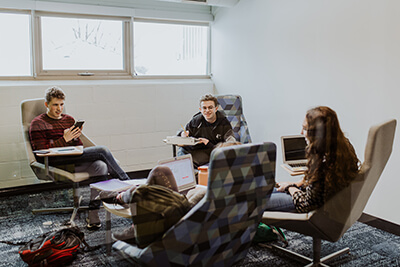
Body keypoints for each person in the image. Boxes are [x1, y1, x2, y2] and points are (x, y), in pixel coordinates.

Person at [29, 86, 130, 230]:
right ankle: (127, 184)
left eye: (62, 104)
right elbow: (40, 151)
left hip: (72, 158)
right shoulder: (37, 123)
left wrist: (75, 138)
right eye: (55, 105)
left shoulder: (68, 119)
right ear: (46, 105)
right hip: (53, 162)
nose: (59, 109)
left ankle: (93, 210)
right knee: (102, 150)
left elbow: (79, 146)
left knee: (101, 166)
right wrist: (64, 139)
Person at [265, 106, 360, 213]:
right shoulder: (343, 146)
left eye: (305, 129)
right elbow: (316, 183)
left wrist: (290, 188)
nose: (301, 133)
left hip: (309, 204)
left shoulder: (323, 161)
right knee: (263, 192)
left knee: (253, 203)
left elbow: (306, 204)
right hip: (319, 198)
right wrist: (296, 184)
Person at [177, 94, 236, 168]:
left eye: (210, 107)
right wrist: (183, 134)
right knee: (181, 152)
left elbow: (231, 144)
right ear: (200, 109)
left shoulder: (224, 122)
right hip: (195, 150)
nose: (207, 111)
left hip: (211, 151)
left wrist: (208, 143)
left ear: (216, 108)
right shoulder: (196, 120)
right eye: (204, 108)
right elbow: (182, 131)